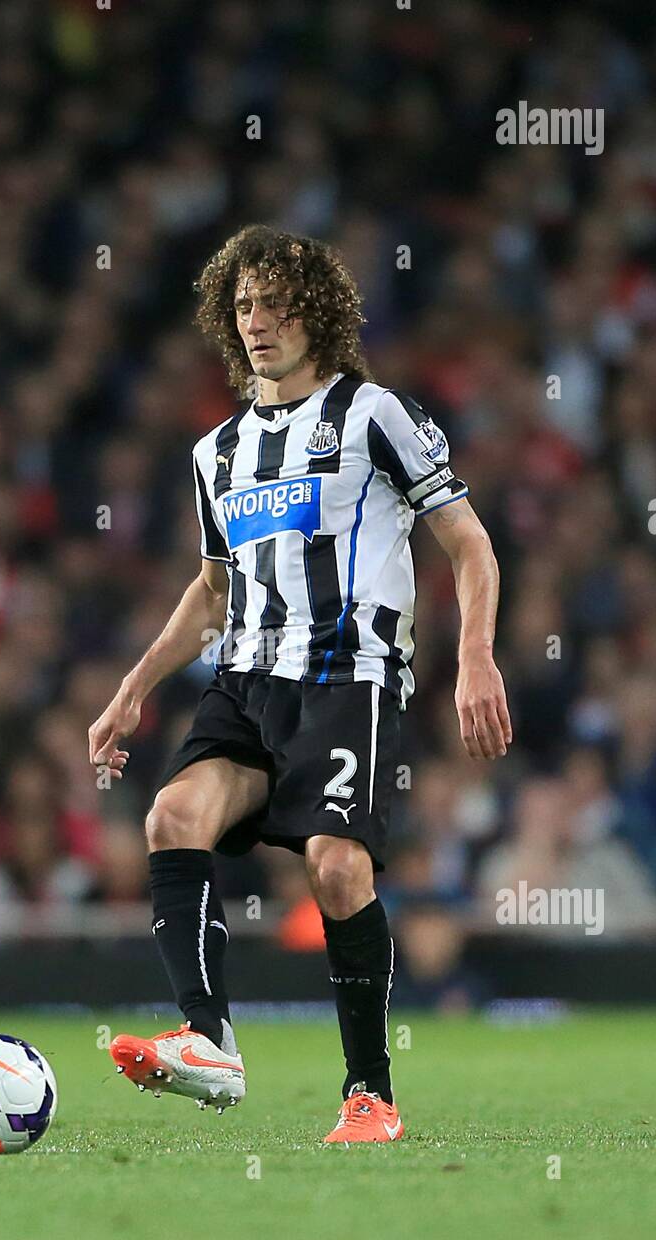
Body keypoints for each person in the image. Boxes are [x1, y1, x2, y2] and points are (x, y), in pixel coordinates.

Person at [88, 226, 512, 1143]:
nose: (256, 321)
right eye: (242, 305)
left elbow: (468, 544)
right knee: (170, 817)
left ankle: (370, 1095)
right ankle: (209, 1042)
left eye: (275, 302)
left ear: (313, 309)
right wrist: (134, 688)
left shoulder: (373, 415)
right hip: (245, 676)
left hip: (343, 675)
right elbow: (211, 589)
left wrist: (475, 657)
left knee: (334, 864)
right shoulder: (217, 453)